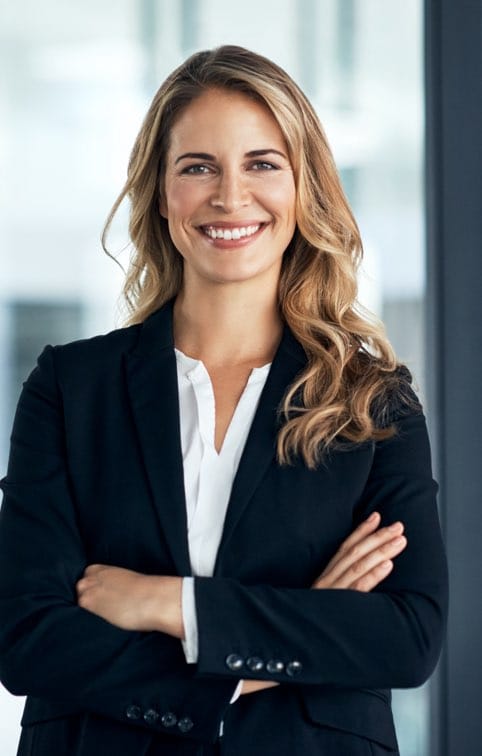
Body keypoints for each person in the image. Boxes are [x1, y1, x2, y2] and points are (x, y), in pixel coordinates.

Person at [0, 45, 447, 756]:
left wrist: (166, 604)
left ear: (304, 188)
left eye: (262, 164)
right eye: (198, 166)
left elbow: (406, 637)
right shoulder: (70, 388)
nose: (230, 196)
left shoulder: (370, 403)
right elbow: (28, 636)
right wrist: (297, 633)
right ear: (161, 190)